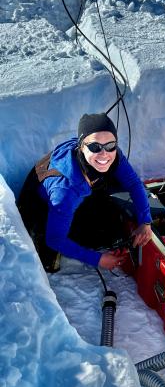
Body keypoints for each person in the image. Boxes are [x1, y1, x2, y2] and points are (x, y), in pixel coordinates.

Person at [17, 112, 152, 272]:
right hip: (42, 208)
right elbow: (55, 239)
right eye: (95, 147)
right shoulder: (64, 192)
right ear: (81, 147)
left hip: (77, 190)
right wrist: (98, 259)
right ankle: (41, 241)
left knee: (108, 215)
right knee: (89, 239)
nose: (104, 154)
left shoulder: (111, 155)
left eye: (110, 145)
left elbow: (134, 183)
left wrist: (145, 221)